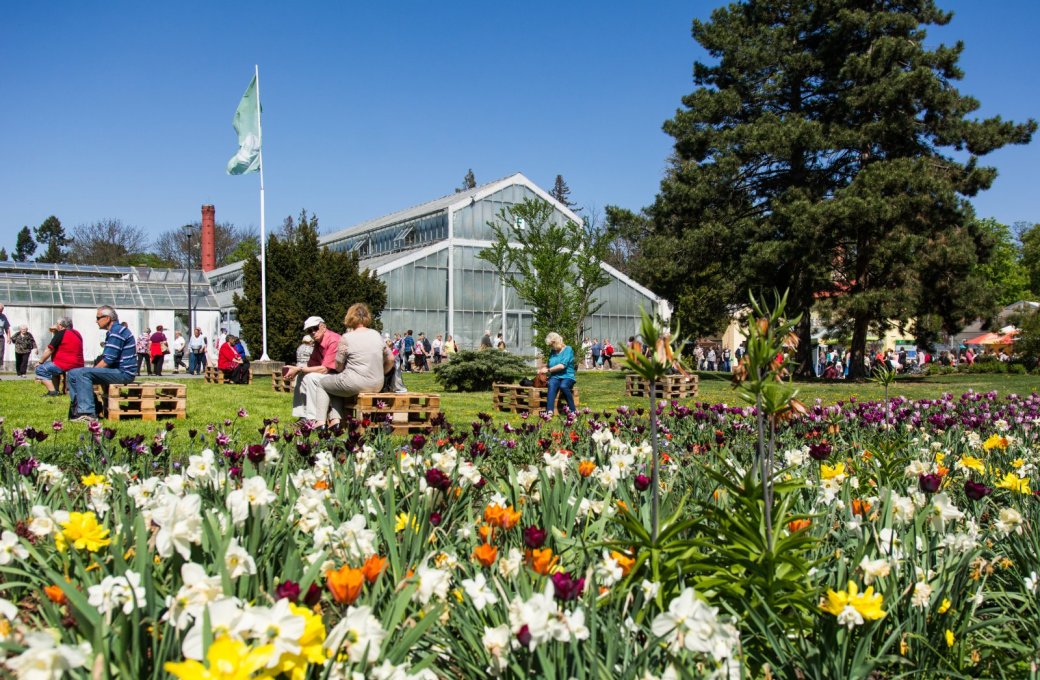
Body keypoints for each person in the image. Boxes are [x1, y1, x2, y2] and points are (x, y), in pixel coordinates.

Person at [317, 303, 396, 427]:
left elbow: (338, 365)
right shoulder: (376, 334)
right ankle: (335, 420)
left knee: (322, 383)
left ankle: (320, 422)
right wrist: (383, 372)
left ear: (349, 317)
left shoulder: (346, 337)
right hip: (377, 384)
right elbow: (391, 358)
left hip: (354, 383)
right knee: (335, 386)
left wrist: (341, 368)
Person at [66, 306, 137, 422]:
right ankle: (78, 409)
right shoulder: (114, 331)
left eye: (98, 318)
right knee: (73, 373)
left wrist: (90, 372)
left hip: (124, 373)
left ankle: (87, 413)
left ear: (107, 318)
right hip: (117, 371)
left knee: (82, 373)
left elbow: (108, 360)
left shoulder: (117, 332)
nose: (96, 321)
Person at [285, 316, 341, 424]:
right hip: (330, 374)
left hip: (339, 375)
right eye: (309, 331)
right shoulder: (318, 343)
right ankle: (302, 416)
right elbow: (311, 365)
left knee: (311, 377)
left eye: (315, 329)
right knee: (301, 375)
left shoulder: (334, 340)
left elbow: (324, 369)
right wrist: (297, 370)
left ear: (323, 327)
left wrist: (299, 368)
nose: (313, 333)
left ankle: (314, 418)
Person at [34, 316, 84, 396]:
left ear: (60, 325)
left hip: (65, 364)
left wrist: (40, 362)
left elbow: (49, 350)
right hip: (78, 364)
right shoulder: (77, 333)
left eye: (57, 324)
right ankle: (56, 390)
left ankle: (52, 392)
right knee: (54, 370)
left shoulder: (61, 333)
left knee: (40, 369)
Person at [538, 332, 577, 417]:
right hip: (555, 376)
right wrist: (542, 369)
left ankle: (573, 410)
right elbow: (551, 364)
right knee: (551, 384)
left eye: (552, 345)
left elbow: (562, 366)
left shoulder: (568, 349)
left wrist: (548, 370)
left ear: (556, 342)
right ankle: (549, 411)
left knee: (563, 386)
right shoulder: (553, 351)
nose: (551, 347)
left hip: (567, 376)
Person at [0, 303, 10, 370]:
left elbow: (7, 328)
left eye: (1, 310)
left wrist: (8, 337)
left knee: (0, 355)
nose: (0, 312)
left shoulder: (3, 316)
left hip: (0, 337)